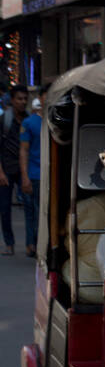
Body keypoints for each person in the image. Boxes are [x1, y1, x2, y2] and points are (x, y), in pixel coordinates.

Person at [0, 84, 28, 254]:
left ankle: (30, 244)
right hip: (6, 169)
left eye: (25, 99)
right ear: (12, 100)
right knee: (5, 209)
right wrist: (0, 172)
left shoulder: (28, 119)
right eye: (19, 99)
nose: (23, 102)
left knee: (30, 207)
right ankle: (9, 244)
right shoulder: (4, 120)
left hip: (24, 170)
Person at [19, 96, 42, 257]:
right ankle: (31, 244)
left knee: (34, 212)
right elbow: (24, 150)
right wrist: (25, 176)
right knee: (33, 211)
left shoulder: (48, 121)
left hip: (39, 175)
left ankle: (33, 244)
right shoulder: (29, 123)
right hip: (34, 175)